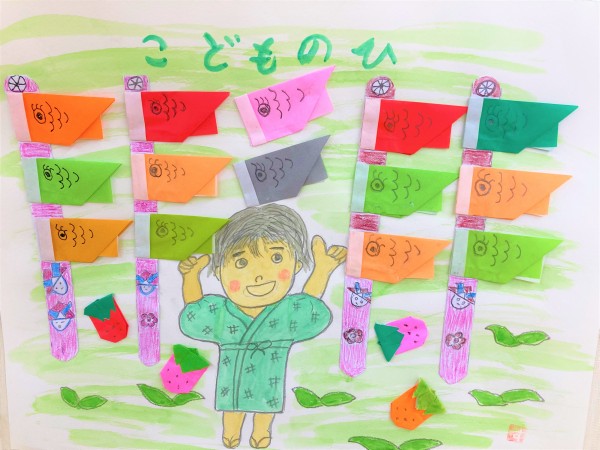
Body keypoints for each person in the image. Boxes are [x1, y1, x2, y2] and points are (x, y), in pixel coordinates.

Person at [178, 204, 346, 449]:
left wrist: (322, 270)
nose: (259, 275)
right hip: (231, 379)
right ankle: (231, 431)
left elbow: (307, 305)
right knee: (232, 406)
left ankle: (261, 430)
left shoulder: (285, 312)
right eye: (241, 262)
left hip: (269, 375)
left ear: (296, 265)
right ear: (219, 272)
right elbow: (196, 313)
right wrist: (190, 277)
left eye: (276, 258)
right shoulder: (221, 312)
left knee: (266, 403)